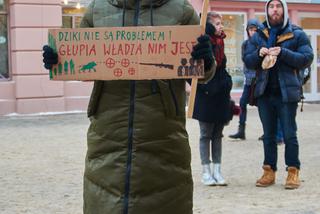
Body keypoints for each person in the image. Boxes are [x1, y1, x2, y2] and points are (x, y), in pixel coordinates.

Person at [42, 0, 216, 213]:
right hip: (107, 135)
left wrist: (205, 62)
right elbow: (82, 61)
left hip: (164, 137)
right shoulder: (97, 8)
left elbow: (200, 76)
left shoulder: (181, 9)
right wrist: (59, 59)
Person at [243, 0, 313, 189]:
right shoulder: (259, 35)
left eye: (278, 6)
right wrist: (259, 53)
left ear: (284, 9)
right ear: (267, 11)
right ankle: (268, 171)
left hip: (287, 93)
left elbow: (306, 59)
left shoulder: (296, 33)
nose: (275, 10)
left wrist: (283, 52)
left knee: (290, 134)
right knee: (268, 135)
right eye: (271, 7)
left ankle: (293, 171)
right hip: (264, 93)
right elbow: (248, 61)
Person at [191, 11, 233, 186]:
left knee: (218, 134)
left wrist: (227, 82)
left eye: (221, 23)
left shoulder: (221, 42)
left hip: (221, 94)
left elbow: (222, 67)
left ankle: (217, 169)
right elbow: (196, 70)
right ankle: (206, 171)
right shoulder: (202, 43)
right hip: (206, 94)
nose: (220, 26)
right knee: (205, 134)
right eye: (217, 24)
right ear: (208, 26)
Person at [229, 18, 262, 140]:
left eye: (255, 29)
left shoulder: (262, 43)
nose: (252, 32)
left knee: (262, 106)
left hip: (259, 81)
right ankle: (241, 131)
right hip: (249, 80)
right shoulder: (245, 44)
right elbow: (246, 61)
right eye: (250, 29)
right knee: (242, 103)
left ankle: (269, 132)